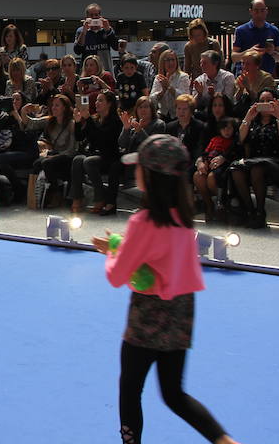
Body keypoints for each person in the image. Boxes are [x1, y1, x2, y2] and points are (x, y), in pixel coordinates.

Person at [92, 134, 242, 444]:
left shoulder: (143, 222)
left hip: (147, 315)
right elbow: (158, 261)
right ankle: (225, 440)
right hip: (182, 312)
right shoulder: (183, 220)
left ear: (149, 176)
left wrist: (111, 252)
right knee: (174, 394)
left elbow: (118, 275)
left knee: (130, 389)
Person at [230, 89, 279, 229]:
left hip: (275, 163)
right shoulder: (253, 121)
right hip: (254, 162)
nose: (264, 104)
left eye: (268, 101)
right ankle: (250, 210)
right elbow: (240, 138)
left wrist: (277, 115)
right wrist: (248, 117)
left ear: (276, 102)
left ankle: (260, 212)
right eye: (261, 101)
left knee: (257, 168)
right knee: (235, 169)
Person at [11, 94, 76, 206]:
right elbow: (31, 123)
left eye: (57, 105)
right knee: (37, 163)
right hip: (55, 154)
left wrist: (53, 156)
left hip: (67, 156)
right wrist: (23, 111)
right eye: (53, 105)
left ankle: (56, 193)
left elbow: (72, 150)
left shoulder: (72, 124)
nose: (53, 108)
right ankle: (34, 196)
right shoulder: (50, 121)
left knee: (47, 162)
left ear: (64, 108)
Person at [71, 91, 123, 214]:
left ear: (109, 104)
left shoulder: (115, 121)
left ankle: (100, 198)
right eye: (96, 100)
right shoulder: (95, 119)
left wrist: (88, 120)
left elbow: (103, 139)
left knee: (89, 162)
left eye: (101, 100)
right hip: (95, 154)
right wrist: (78, 122)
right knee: (77, 159)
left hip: (109, 156)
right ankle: (77, 197)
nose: (97, 103)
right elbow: (79, 137)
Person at [193, 117, 239, 222]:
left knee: (211, 178)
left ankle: (222, 202)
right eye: (224, 128)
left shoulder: (233, 142)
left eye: (229, 128)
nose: (226, 131)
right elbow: (206, 152)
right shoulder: (214, 140)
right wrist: (203, 162)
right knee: (198, 176)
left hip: (223, 168)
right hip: (209, 164)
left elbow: (233, 155)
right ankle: (208, 204)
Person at [231, 0, 279, 76]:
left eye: (262, 10)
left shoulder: (274, 30)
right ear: (250, 11)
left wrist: (272, 53)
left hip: (266, 78)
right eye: (256, 10)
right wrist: (248, 52)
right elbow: (234, 57)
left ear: (266, 11)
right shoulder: (241, 30)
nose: (259, 14)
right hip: (245, 77)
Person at [166, 95, 205, 177]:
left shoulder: (199, 126)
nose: (181, 112)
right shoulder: (170, 126)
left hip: (191, 162)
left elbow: (199, 147)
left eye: (185, 109)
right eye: (179, 109)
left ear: (191, 110)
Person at [74, 2, 118, 73]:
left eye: (96, 15)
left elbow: (116, 47)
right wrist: (84, 32)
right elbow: (77, 51)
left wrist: (108, 31)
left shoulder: (107, 30)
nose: (94, 17)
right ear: (86, 17)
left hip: (105, 71)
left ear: (100, 16)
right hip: (88, 72)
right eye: (91, 15)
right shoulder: (81, 31)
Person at [150, 51, 190, 121]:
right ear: (162, 63)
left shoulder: (183, 77)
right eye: (168, 60)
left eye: (173, 60)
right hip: (162, 114)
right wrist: (163, 91)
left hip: (178, 115)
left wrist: (169, 87)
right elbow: (152, 100)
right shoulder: (158, 78)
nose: (171, 63)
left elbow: (185, 98)